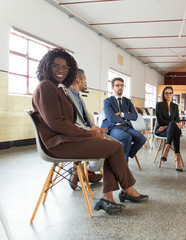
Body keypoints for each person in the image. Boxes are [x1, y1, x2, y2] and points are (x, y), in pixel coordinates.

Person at [32, 48, 148, 215]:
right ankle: (124, 191)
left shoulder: (56, 88)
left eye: (65, 67)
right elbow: (57, 124)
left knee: (112, 145)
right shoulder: (46, 87)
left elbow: (66, 122)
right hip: (58, 144)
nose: (60, 70)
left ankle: (111, 195)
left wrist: (91, 132)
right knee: (115, 147)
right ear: (46, 66)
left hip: (65, 140)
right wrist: (89, 133)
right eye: (55, 66)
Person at [65, 68, 103, 190]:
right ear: (78, 80)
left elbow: (86, 117)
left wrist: (94, 127)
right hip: (76, 134)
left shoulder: (78, 97)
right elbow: (71, 122)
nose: (86, 82)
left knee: (112, 142)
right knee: (105, 144)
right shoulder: (66, 95)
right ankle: (85, 171)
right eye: (85, 79)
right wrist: (89, 132)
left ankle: (82, 171)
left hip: (86, 129)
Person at [101, 78, 146, 163]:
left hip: (126, 127)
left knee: (142, 138)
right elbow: (111, 118)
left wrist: (121, 114)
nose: (120, 87)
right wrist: (127, 116)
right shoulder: (107, 101)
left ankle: (124, 156)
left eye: (122, 85)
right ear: (112, 88)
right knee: (127, 137)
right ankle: (124, 164)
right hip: (113, 127)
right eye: (117, 85)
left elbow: (135, 116)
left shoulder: (127, 101)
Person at [155, 86, 184, 172]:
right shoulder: (159, 105)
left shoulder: (175, 106)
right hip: (162, 130)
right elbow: (160, 120)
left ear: (172, 94)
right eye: (166, 93)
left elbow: (177, 120)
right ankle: (177, 159)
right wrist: (170, 124)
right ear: (163, 94)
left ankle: (167, 148)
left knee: (173, 126)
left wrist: (168, 125)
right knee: (175, 130)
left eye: (170, 93)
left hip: (169, 129)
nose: (168, 95)